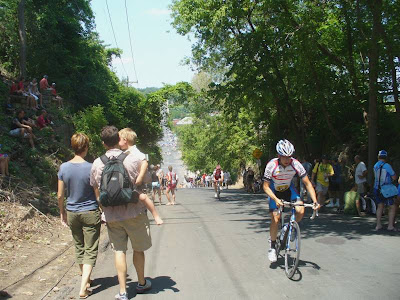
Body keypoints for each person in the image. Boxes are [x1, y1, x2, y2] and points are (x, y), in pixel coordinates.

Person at [90, 126, 162, 300]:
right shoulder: (132, 159)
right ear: (118, 140)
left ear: (103, 143)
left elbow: (95, 186)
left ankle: (123, 291)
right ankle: (142, 283)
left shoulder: (97, 162)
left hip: (112, 215)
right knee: (138, 249)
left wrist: (103, 206)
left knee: (119, 251)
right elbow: (145, 180)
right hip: (134, 211)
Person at [57, 133, 101, 299]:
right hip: (90, 212)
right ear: (86, 147)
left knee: (79, 246)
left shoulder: (63, 167)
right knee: (90, 249)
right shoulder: (91, 167)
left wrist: (62, 213)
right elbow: (97, 195)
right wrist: (103, 210)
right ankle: (83, 287)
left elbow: (60, 195)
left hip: (72, 212)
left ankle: (87, 279)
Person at [263, 140, 319, 263]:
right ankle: (272, 246)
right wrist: (276, 199)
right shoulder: (271, 165)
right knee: (275, 218)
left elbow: (308, 183)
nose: (287, 160)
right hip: (274, 190)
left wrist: (315, 201)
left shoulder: (296, 164)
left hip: (288, 189)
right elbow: (265, 186)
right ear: (279, 156)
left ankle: (288, 228)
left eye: (289, 156)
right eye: (284, 157)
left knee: (301, 210)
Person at [373, 150, 397, 231]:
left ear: (378, 157)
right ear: (386, 157)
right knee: (392, 206)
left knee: (380, 206)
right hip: (386, 190)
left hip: (376, 188)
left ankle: (378, 225)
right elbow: (394, 177)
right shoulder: (387, 166)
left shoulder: (375, 165)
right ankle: (390, 226)